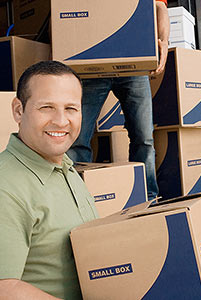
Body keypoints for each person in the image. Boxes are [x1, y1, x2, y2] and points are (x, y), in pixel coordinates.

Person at [0, 61, 98, 300]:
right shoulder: (6, 186)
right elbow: (4, 288)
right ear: (18, 110)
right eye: (47, 107)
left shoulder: (64, 167)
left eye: (71, 109)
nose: (61, 121)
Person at [67, 0, 170, 200]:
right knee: (77, 139)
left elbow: (159, 6)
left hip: (133, 65)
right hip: (93, 64)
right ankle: (77, 199)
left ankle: (148, 198)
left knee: (144, 138)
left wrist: (163, 43)